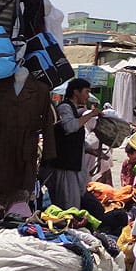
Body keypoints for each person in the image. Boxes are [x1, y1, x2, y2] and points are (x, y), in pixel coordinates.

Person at [40, 78, 101, 210]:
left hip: (72, 165)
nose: (87, 96)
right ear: (76, 92)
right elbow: (70, 127)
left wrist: (91, 150)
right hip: (64, 165)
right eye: (86, 92)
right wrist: (91, 114)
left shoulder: (73, 110)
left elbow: (75, 139)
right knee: (67, 204)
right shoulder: (64, 108)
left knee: (74, 201)